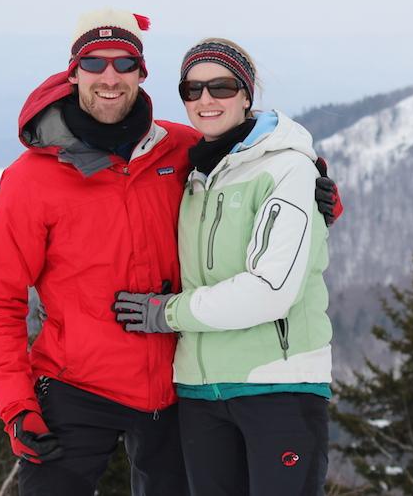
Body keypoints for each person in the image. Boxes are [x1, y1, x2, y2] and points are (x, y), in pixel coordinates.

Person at [0, 12, 340, 495]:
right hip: (75, 386)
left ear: (141, 73)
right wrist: (17, 405)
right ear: (73, 71)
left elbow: (260, 173)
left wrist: (325, 196)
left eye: (124, 62)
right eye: (94, 62)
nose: (109, 76)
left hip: (175, 391)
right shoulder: (33, 179)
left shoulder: (179, 148)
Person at [113, 38, 333, 495]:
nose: (206, 100)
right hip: (199, 391)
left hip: (278, 386)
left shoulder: (287, 168)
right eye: (192, 90)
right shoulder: (196, 176)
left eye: (221, 86)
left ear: (247, 95)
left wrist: (166, 313)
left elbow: (270, 289)